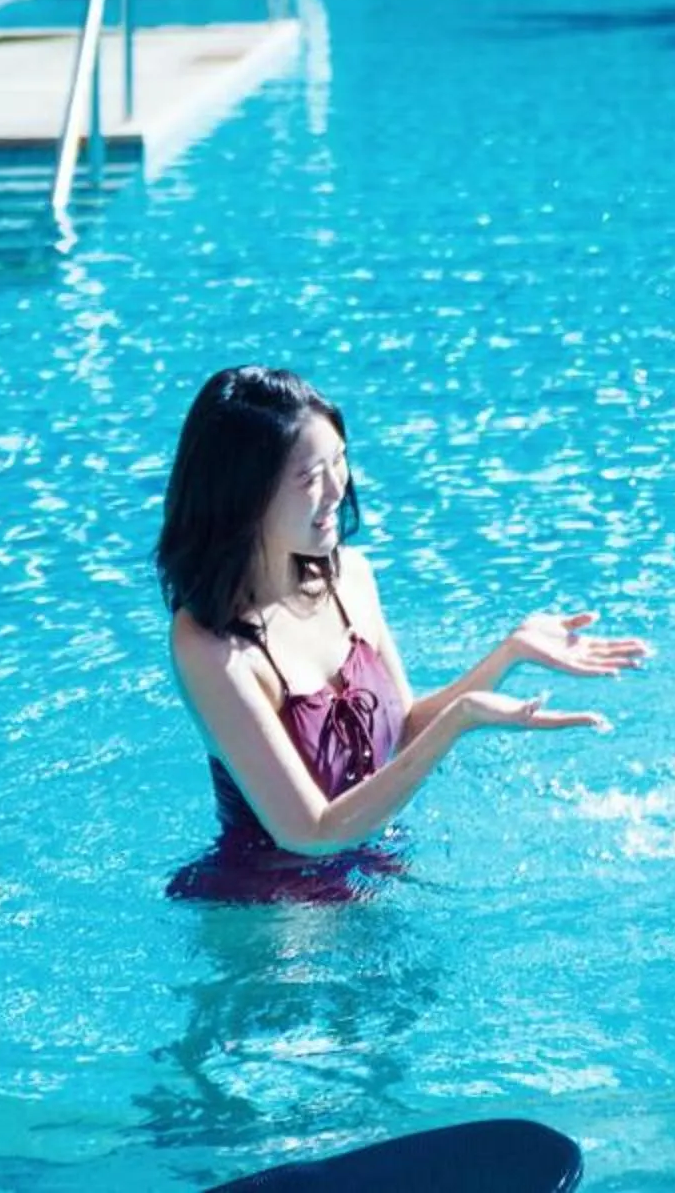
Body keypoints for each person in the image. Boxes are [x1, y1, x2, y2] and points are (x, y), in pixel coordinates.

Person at [159, 366, 648, 896]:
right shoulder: (209, 645)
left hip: (372, 867)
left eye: (339, 460)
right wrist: (460, 720)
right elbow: (310, 832)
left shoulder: (351, 578)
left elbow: (403, 727)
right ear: (244, 496)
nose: (336, 489)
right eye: (309, 477)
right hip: (268, 910)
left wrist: (508, 654)